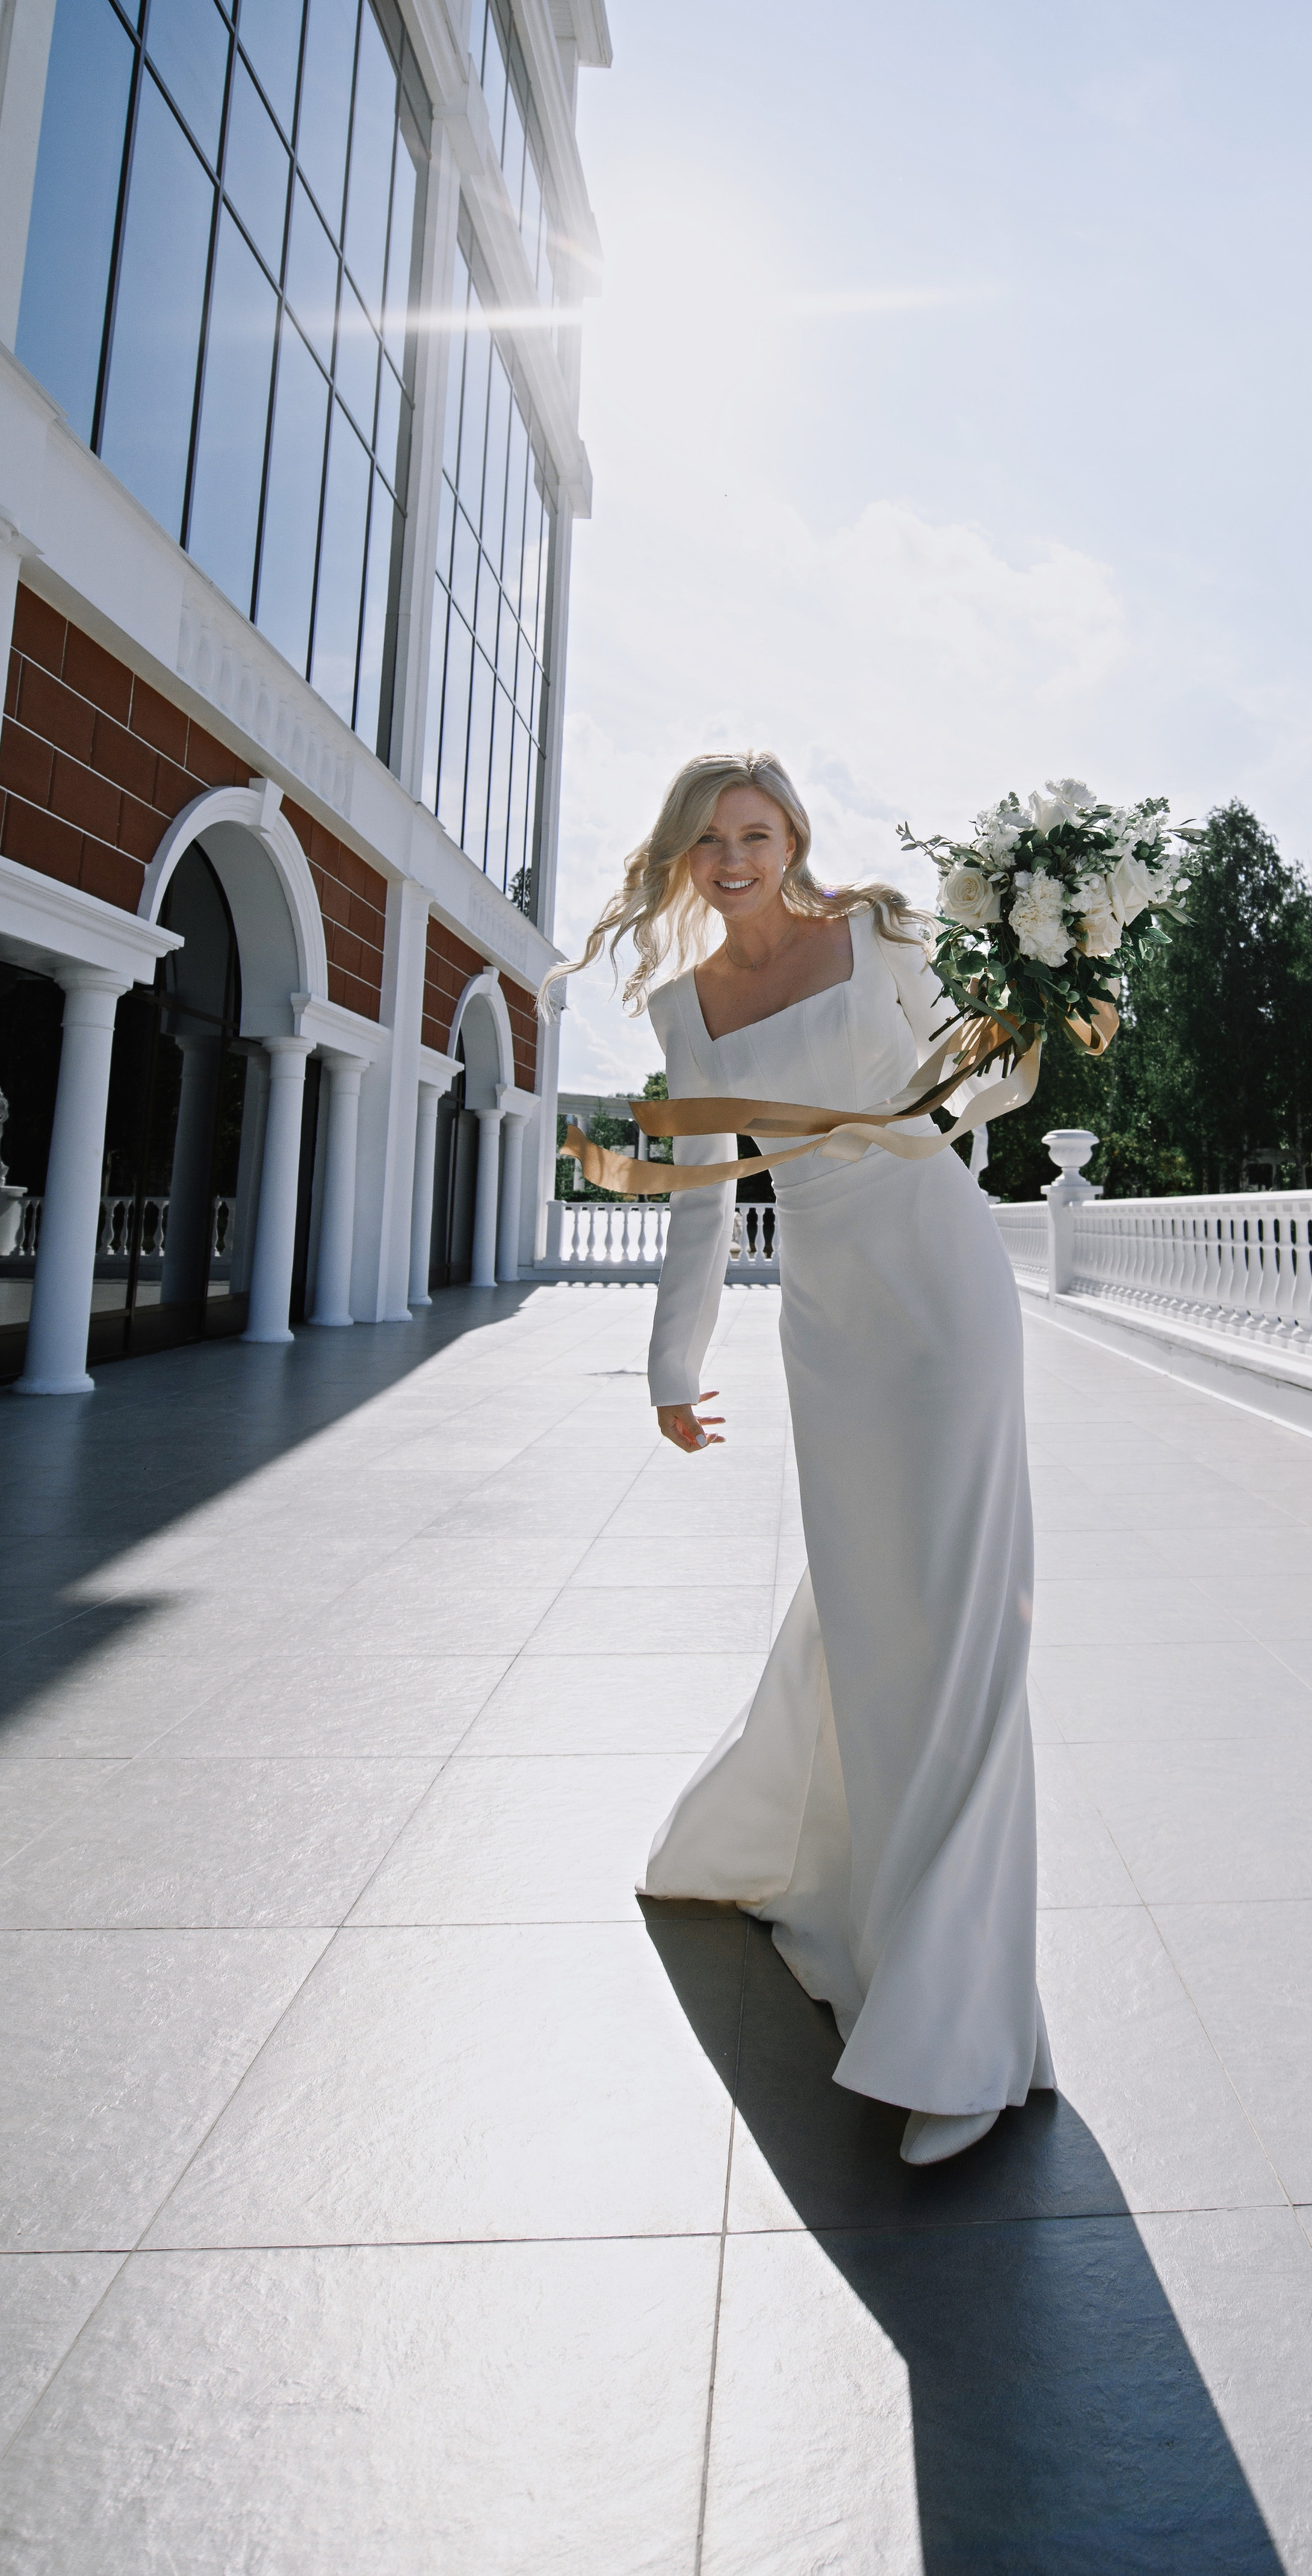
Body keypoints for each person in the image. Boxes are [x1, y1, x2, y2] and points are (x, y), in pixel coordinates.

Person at [553, 750, 1050, 2164]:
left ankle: (956, 2024)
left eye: (755, 834)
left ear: (794, 838)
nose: (732, 859)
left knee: (961, 1615)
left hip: (944, 1280)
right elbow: (710, 1199)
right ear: (680, 857)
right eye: (707, 841)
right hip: (831, 1321)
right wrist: (673, 1363)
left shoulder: (880, 927)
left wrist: (1002, 1059)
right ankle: (817, 1863)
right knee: (876, 1612)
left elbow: (981, 1093)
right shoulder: (684, 1007)